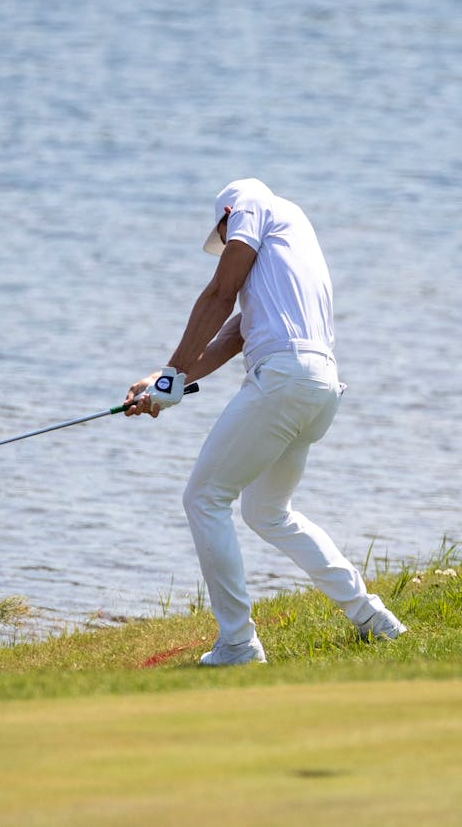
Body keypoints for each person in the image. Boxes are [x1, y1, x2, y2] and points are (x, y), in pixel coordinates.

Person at [124, 178, 406, 666]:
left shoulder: (252, 199)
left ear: (230, 216)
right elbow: (233, 336)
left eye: (226, 238)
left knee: (204, 497)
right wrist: (164, 380)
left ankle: (237, 642)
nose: (226, 253)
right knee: (268, 511)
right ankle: (373, 618)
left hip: (286, 379)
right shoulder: (288, 244)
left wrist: (171, 380)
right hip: (318, 387)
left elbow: (219, 292)